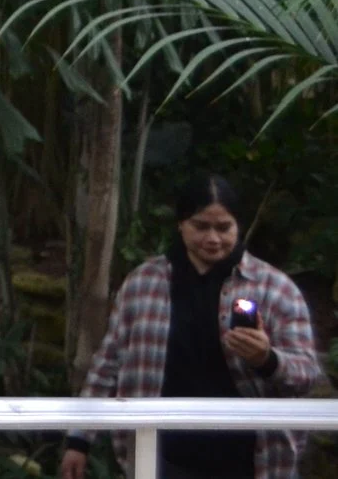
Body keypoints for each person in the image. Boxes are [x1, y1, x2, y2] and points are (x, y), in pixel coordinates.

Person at [63, 176, 323, 479]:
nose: (213, 238)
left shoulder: (275, 288)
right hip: (160, 455)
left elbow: (306, 375)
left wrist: (267, 359)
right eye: (201, 227)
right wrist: (79, 440)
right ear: (181, 224)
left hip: (251, 458)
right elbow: (108, 363)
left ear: (238, 226)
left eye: (223, 228)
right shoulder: (142, 283)